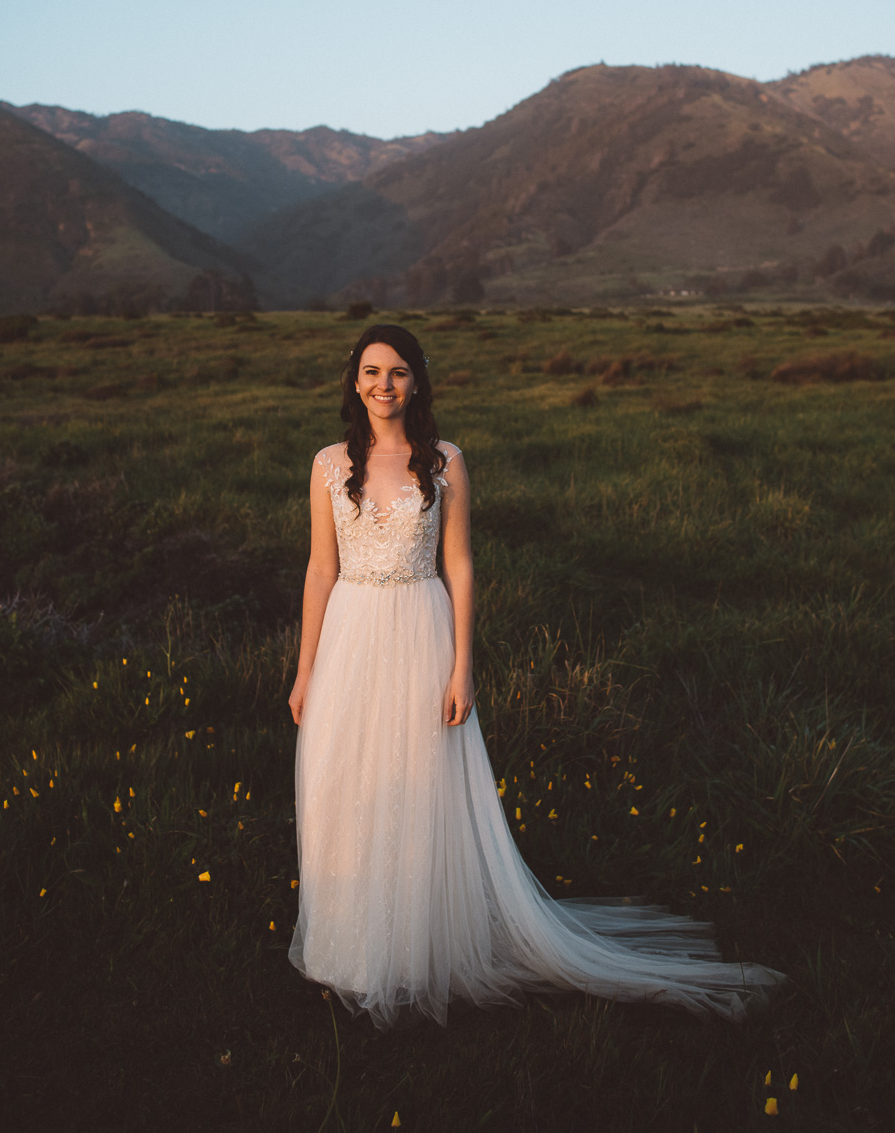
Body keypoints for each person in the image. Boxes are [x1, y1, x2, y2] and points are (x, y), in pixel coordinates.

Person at [288, 323, 783, 1028]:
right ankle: (348, 951)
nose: (383, 385)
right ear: (353, 381)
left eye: (397, 372)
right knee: (347, 781)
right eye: (370, 372)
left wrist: (462, 665)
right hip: (349, 632)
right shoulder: (328, 464)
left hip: (420, 629)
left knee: (419, 784)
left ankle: (411, 946)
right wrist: (305, 670)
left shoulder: (446, 462)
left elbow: (458, 566)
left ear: (418, 382)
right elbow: (319, 568)